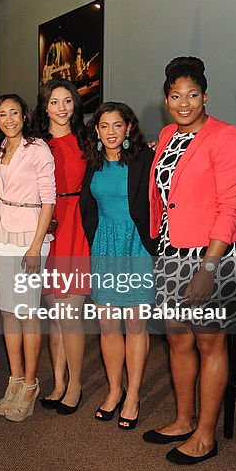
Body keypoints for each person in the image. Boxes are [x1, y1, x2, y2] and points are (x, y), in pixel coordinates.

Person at [143, 56, 236, 465]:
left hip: (214, 253)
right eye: (175, 95)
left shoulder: (228, 137)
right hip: (172, 248)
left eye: (192, 95)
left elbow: (230, 207)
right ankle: (183, 419)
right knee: (176, 335)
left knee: (209, 340)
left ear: (206, 96)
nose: (183, 102)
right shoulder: (169, 134)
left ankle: (205, 435)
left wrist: (208, 267)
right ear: (166, 98)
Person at [79, 102, 157, 430]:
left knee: (135, 324)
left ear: (128, 129)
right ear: (96, 131)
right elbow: (87, 206)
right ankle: (114, 390)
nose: (111, 132)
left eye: (117, 125)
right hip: (105, 247)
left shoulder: (145, 159)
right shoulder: (93, 162)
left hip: (137, 246)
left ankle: (133, 395)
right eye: (104, 126)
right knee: (109, 325)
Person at [0, 94, 56, 422]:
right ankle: (15, 378)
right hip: (3, 233)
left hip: (30, 237)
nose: (9, 119)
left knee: (28, 312)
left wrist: (35, 245)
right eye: (3, 114)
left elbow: (49, 200)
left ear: (24, 115)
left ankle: (31, 383)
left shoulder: (37, 148)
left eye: (14, 112)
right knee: (8, 312)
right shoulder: (0, 147)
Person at [34, 79, 91, 415]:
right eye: (54, 102)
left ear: (75, 105)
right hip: (46, 225)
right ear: (45, 106)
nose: (61, 108)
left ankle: (75, 385)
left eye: (67, 101)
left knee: (69, 315)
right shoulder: (36, 144)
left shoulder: (87, 139)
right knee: (54, 315)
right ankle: (57, 382)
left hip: (77, 226)